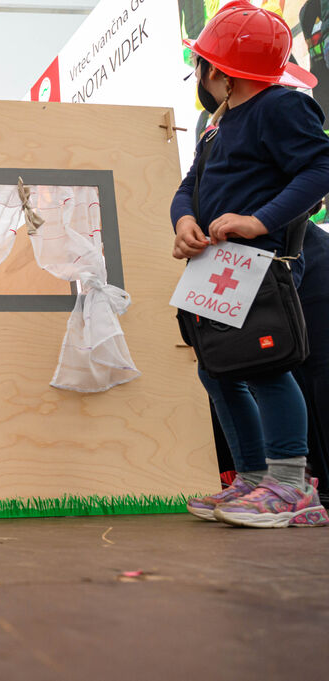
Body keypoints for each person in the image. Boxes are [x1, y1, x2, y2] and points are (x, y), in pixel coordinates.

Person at [172, 2, 329, 528]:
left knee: (264, 365)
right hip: (215, 265)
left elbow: (320, 168)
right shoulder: (215, 129)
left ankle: (290, 486)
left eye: (200, 64)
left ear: (217, 70)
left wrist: (259, 221)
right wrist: (184, 221)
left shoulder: (283, 105)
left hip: (263, 263)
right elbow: (188, 187)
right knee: (217, 368)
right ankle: (253, 478)